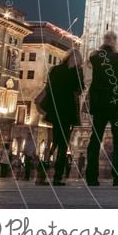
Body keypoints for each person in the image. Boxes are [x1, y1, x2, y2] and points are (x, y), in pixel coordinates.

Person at [85, 32, 118, 187]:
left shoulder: (95, 57)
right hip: (115, 103)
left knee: (95, 139)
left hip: (99, 103)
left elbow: (89, 66)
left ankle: (91, 177)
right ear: (114, 42)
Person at [42, 47, 84, 186]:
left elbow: (49, 88)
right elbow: (80, 89)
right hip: (68, 111)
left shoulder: (55, 70)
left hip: (54, 111)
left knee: (54, 142)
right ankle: (57, 177)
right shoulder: (76, 72)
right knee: (63, 144)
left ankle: (42, 172)